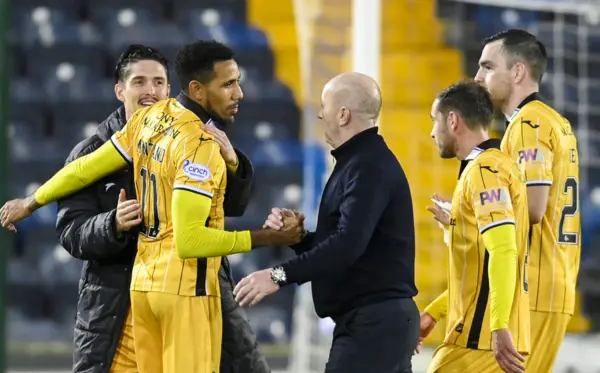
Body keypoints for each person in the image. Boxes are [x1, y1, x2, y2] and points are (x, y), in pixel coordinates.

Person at [0, 40, 303, 373]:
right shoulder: (198, 144)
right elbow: (190, 242)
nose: (239, 93)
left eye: (158, 82)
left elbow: (85, 169)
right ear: (198, 90)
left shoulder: (148, 121)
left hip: (144, 287)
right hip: (182, 292)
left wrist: (31, 201)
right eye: (229, 84)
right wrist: (265, 238)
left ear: (171, 87)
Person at [55, 44, 270, 373]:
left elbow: (233, 206)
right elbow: (71, 232)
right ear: (120, 90)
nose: (150, 90)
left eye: (158, 82)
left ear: (170, 88)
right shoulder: (91, 152)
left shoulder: (196, 136)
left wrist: (236, 165)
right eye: (139, 82)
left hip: (188, 292)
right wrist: (111, 224)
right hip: (116, 309)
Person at [235, 72, 420, 373]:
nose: (320, 114)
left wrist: (278, 275)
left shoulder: (367, 165)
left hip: (373, 325)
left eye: (324, 105)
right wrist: (298, 239)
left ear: (343, 115)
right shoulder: (358, 162)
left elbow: (348, 244)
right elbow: (350, 247)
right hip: (376, 324)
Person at [474, 29, 581, 373]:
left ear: (517, 72)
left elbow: (533, 209)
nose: (478, 78)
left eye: (487, 67)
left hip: (532, 286)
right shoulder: (556, 122)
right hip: (554, 284)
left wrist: (475, 214)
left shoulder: (527, 125)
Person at [418, 81, 530, 373]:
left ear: (452, 120)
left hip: (478, 342)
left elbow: (504, 251)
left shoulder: (484, 172)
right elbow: (479, 271)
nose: (432, 131)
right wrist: (434, 312)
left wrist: (498, 325)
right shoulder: (498, 166)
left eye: (435, 120)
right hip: (484, 337)